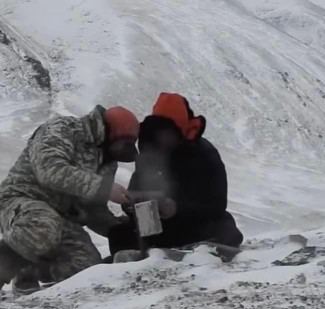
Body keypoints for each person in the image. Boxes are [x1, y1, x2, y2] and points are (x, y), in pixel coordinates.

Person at [0, 105, 139, 294]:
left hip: (60, 219)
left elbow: (93, 211)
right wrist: (104, 188)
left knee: (87, 270)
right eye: (125, 144)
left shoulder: (107, 160)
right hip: (21, 202)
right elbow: (50, 170)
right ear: (111, 134)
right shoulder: (63, 129)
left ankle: (35, 265)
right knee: (43, 227)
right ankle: (14, 266)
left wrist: (119, 228)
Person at [107, 93, 243, 258]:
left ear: (180, 130)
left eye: (167, 131)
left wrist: (176, 208)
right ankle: (150, 255)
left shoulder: (204, 154)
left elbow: (216, 205)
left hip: (197, 225)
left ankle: (162, 253)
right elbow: (136, 194)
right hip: (159, 229)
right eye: (159, 131)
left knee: (224, 230)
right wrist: (131, 204)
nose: (163, 137)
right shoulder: (150, 153)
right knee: (119, 233)